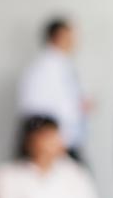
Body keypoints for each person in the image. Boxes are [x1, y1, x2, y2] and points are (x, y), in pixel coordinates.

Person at [18, 17, 92, 161]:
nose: (74, 41)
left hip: (63, 141)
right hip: (55, 144)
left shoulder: (64, 65)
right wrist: (54, 139)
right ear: (58, 36)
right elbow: (37, 109)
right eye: (70, 36)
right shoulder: (44, 69)